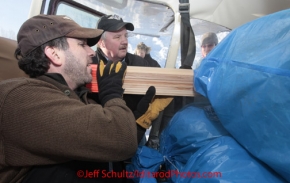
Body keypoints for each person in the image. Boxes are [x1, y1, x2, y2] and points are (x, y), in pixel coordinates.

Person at [0, 14, 153, 183]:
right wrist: (111, 95)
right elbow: (121, 140)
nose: (91, 52)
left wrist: (135, 125)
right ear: (54, 54)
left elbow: (112, 149)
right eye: (82, 45)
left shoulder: (75, 97)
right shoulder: (21, 98)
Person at [94, 14, 173, 143]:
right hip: (99, 135)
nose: (124, 41)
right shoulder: (89, 64)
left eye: (126, 36)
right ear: (101, 42)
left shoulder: (139, 63)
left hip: (134, 130)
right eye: (117, 37)